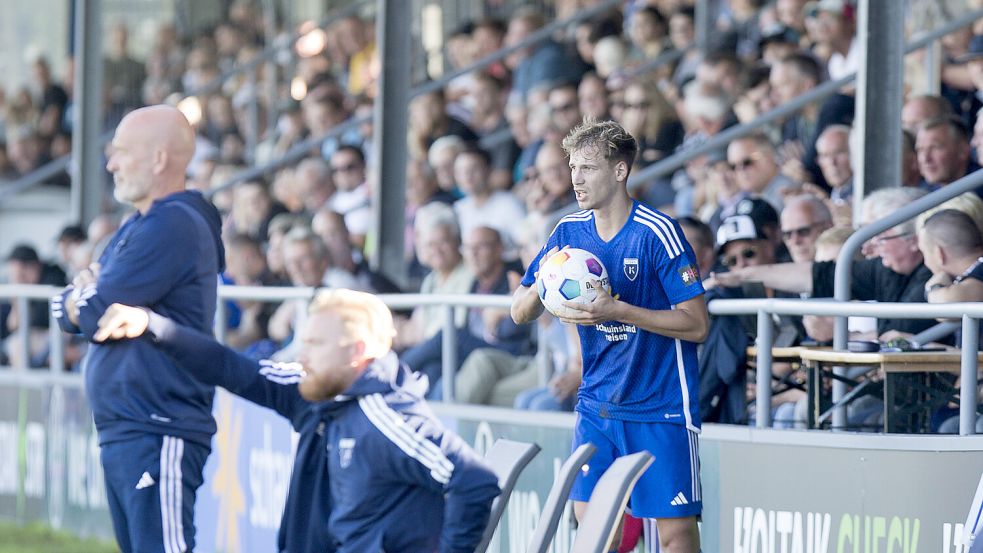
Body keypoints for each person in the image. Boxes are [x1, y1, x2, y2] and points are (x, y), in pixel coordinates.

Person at [92, 289, 500, 553]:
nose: (301, 356)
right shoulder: (319, 392)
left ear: (357, 351)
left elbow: (474, 480)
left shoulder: (387, 415)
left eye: (316, 344)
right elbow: (234, 369)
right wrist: (153, 326)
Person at [511, 119, 708, 553]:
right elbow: (519, 310)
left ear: (619, 171)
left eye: (587, 168)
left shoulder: (659, 232)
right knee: (600, 534)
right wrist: (549, 283)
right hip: (597, 406)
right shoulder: (567, 233)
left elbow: (697, 323)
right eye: (572, 167)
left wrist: (618, 310)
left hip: (661, 407)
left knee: (675, 538)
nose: (575, 179)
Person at [52, 105, 225, 553]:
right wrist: (81, 298)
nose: (110, 164)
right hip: (133, 426)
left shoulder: (172, 225)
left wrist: (84, 297)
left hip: (157, 424)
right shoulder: (140, 225)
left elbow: (94, 309)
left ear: (160, 159)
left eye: (122, 152)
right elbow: (67, 305)